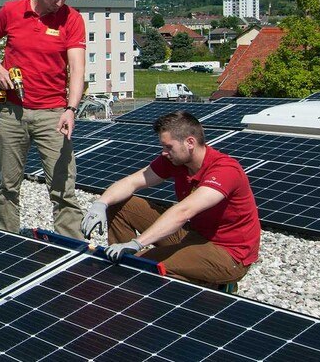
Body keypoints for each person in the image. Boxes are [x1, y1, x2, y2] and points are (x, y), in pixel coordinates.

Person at [81, 110, 261, 287]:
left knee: (146, 264)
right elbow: (131, 182)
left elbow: (183, 211)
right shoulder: (176, 160)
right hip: (193, 235)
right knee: (120, 203)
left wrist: (138, 243)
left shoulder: (225, 170)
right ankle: (122, 265)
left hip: (228, 254)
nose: (164, 152)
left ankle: (209, 287)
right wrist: (100, 204)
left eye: (168, 147)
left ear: (190, 142)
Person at [0, 0, 86, 237]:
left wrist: (71, 108)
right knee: (8, 186)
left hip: (53, 114)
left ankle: (70, 250)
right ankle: (7, 241)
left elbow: (77, 69)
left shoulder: (72, 19)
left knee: (63, 189)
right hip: (13, 113)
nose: (59, 2)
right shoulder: (12, 11)